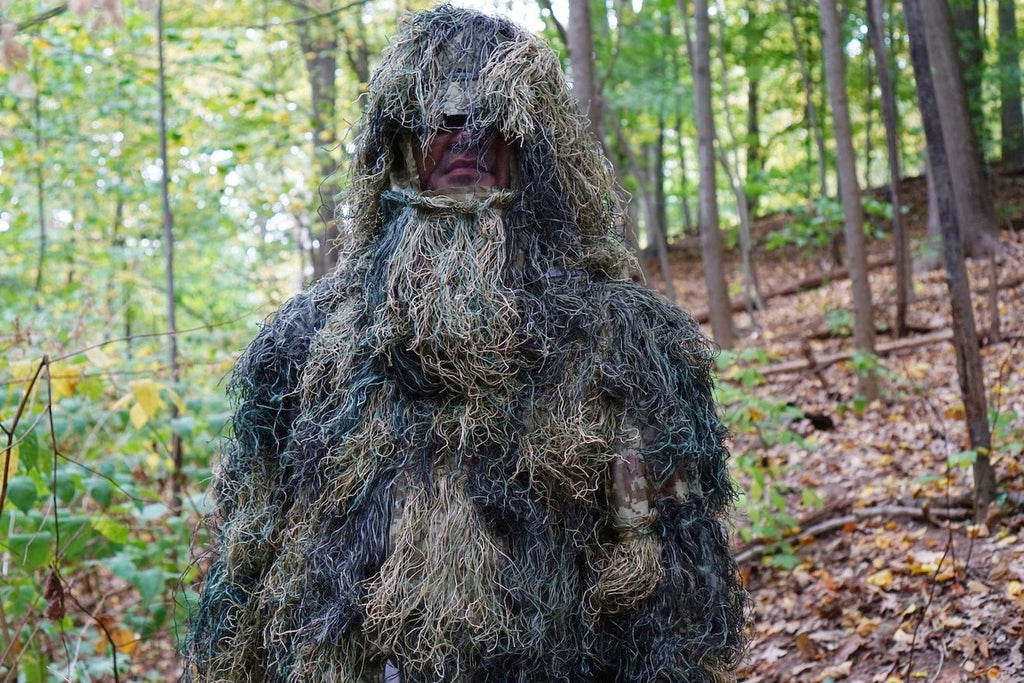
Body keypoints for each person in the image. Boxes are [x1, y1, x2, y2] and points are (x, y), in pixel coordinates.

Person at [186, 6, 745, 681]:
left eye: (491, 125)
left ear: (533, 150)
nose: (466, 144)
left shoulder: (626, 341)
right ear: (398, 147)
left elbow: (676, 577)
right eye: (440, 125)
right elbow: (250, 565)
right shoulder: (304, 346)